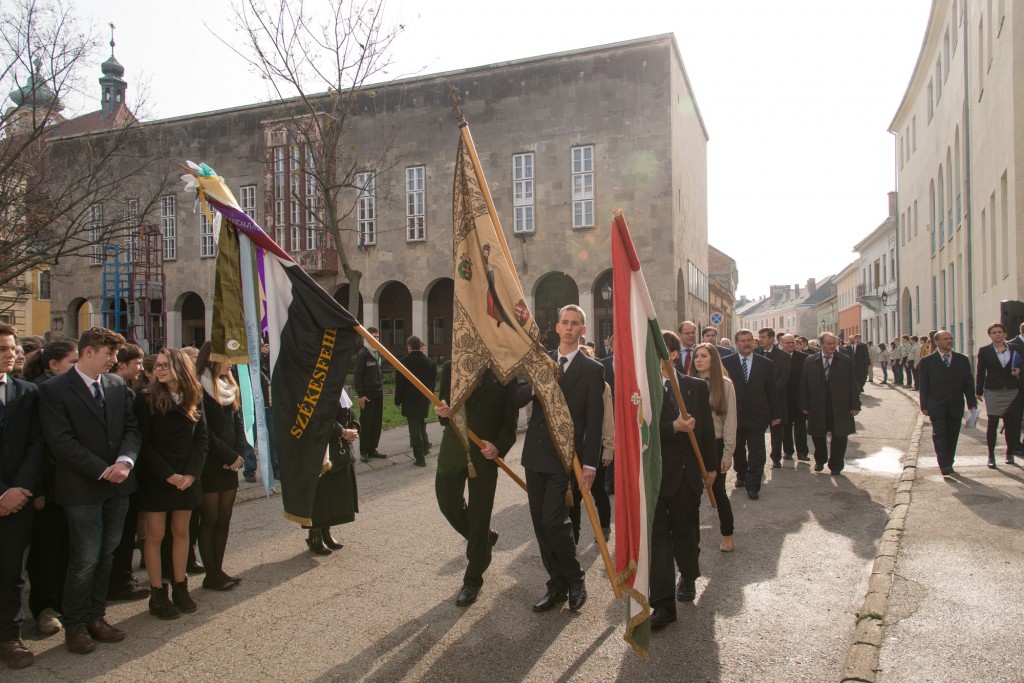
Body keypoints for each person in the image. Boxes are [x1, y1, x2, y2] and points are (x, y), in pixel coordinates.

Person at [38, 327, 139, 655]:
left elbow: (131, 429)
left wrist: (124, 462)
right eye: (109, 354)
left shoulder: (116, 385)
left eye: (116, 354)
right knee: (84, 557)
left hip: (118, 486)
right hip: (82, 487)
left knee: (106, 554)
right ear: (88, 352)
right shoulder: (55, 389)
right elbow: (60, 440)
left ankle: (97, 616)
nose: (114, 360)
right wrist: (101, 470)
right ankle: (76, 624)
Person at [516, 304, 604, 613]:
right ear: (556, 327)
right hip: (535, 454)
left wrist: (590, 464)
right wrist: (533, 383)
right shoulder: (542, 362)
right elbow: (516, 398)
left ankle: (576, 578)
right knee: (541, 526)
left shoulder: (592, 370)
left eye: (574, 323)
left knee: (555, 521)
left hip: (567, 458)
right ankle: (556, 584)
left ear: (582, 330)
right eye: (564, 322)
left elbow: (594, 422)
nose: (568, 328)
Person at [649, 331, 717, 630]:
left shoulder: (695, 386)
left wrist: (711, 468)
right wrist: (672, 427)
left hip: (687, 474)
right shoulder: (644, 390)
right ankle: (663, 605)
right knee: (659, 541)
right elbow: (639, 431)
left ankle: (688, 575)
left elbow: (706, 430)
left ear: (674, 354)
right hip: (655, 475)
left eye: (659, 349)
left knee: (686, 532)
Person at [434, 361, 517, 606]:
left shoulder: (505, 373)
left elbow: (510, 422)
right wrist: (443, 412)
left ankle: (473, 579)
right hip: (453, 448)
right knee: (448, 503)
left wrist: (498, 446)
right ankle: (484, 540)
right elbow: (443, 414)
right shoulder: (452, 367)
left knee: (480, 514)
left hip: (485, 454)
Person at [133, 348, 208, 620]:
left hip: (187, 479)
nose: (159, 369)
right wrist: (168, 475)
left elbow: (201, 440)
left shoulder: (194, 396)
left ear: (180, 367)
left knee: (181, 532)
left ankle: (180, 586)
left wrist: (191, 475)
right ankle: (157, 593)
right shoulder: (145, 399)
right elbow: (143, 443)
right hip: (158, 478)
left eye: (165, 365)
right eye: (158, 365)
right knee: (155, 535)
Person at [23, 340, 78, 640]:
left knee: (65, 548)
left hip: (69, 485)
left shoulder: (69, 388)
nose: (78, 367)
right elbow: (37, 446)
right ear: (53, 365)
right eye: (72, 362)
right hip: (48, 486)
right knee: (46, 549)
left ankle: (61, 603)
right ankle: (45, 608)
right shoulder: (38, 391)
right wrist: (39, 490)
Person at [0, 324, 44, 669]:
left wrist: (20, 490)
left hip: (19, 498)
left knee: (11, 571)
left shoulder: (26, 392)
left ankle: (9, 636)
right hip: (5, 494)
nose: (12, 354)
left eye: (13, 348)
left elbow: (36, 445)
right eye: (3, 349)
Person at [195, 343, 248, 589]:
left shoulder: (229, 385)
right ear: (212, 358)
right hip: (211, 462)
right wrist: (228, 455)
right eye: (227, 359)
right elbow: (204, 430)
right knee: (210, 518)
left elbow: (237, 420)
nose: (231, 363)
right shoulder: (199, 386)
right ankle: (211, 574)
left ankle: (219, 569)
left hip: (230, 463)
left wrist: (239, 454)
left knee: (224, 518)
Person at [106, 343, 150, 602]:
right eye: (137, 363)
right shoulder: (119, 389)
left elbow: (133, 431)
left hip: (127, 472)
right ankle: (116, 582)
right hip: (111, 475)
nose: (141, 368)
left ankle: (121, 577)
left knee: (125, 531)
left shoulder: (126, 389)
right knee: (117, 536)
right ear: (121, 364)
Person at [721, 329, 780, 500]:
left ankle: (753, 484)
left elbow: (771, 390)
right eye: (742, 341)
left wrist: (776, 414)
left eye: (749, 340)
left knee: (757, 452)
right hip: (735, 415)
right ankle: (741, 474)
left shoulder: (765, 363)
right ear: (736, 343)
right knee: (738, 449)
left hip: (758, 415)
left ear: (754, 342)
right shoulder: (726, 362)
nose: (746, 344)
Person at [690, 342, 737, 552]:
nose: (698, 360)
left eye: (704, 356)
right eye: (696, 356)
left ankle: (727, 534)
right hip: (693, 444)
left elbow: (730, 422)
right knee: (691, 494)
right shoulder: (688, 383)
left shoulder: (724, 385)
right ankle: (691, 539)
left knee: (718, 491)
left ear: (714, 360)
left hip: (716, 444)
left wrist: (728, 453)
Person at [303, 391, 360, 557]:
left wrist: (354, 426)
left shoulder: (335, 383)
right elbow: (316, 416)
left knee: (331, 494)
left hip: (337, 448)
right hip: (318, 449)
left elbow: (348, 409)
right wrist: (342, 432)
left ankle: (326, 532)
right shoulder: (313, 384)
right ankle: (315, 536)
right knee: (320, 495)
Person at [568, 345, 612, 543]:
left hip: (595, 447)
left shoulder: (603, 385)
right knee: (574, 496)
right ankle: (574, 538)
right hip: (574, 449)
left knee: (598, 490)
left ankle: (604, 527)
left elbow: (607, 419)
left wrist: (609, 448)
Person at [800, 333, 860, 475]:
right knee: (818, 435)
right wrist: (804, 404)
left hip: (840, 405)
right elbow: (804, 384)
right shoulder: (810, 361)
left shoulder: (845, 361)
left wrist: (855, 405)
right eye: (829, 344)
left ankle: (836, 464)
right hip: (817, 405)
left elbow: (853, 384)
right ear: (821, 345)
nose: (832, 346)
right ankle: (820, 460)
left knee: (840, 436)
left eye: (834, 343)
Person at [918, 330, 977, 476]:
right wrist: (924, 405)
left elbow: (968, 383)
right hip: (936, 404)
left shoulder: (962, 360)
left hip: (955, 404)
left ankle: (949, 460)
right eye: (945, 339)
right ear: (937, 342)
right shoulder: (927, 361)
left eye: (950, 338)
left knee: (952, 434)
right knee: (939, 433)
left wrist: (972, 403)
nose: (949, 341)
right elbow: (924, 385)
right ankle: (943, 463)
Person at [975, 323, 1022, 468]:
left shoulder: (1015, 348)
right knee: (993, 422)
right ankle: (991, 456)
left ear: (1005, 334)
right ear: (990, 335)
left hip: (1012, 389)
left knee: (1011, 424)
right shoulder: (984, 351)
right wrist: (978, 391)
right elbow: (980, 371)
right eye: (994, 332)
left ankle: (1010, 453)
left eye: (1000, 332)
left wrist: (1019, 371)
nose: (997, 334)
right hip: (993, 390)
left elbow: (1022, 364)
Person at [394, 335, 437, 467]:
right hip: (425, 399)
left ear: (409, 346)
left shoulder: (404, 362)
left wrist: (397, 400)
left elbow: (400, 384)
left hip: (410, 400)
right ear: (420, 346)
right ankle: (425, 449)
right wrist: (430, 397)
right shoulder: (431, 362)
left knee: (414, 431)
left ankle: (420, 459)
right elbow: (433, 382)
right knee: (421, 425)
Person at [757, 328, 790, 467]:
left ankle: (776, 457)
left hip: (777, 398)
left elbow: (784, 378)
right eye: (759, 337)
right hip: (759, 398)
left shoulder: (783, 356)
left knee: (777, 430)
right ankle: (758, 459)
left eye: (763, 337)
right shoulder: (755, 353)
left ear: (771, 339)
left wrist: (770, 391)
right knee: (757, 430)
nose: (760, 339)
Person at [354, 327, 386, 463]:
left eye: (377, 337)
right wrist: (361, 395)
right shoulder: (363, 354)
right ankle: (364, 451)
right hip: (367, 394)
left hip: (378, 392)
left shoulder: (378, 352)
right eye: (373, 336)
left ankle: (373, 449)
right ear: (367, 338)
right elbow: (357, 374)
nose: (376, 339)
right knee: (367, 423)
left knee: (376, 423)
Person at [780, 334, 809, 461]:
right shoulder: (778, 357)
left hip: (799, 398)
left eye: (792, 342)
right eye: (787, 343)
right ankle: (788, 451)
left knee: (801, 427)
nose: (791, 345)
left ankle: (802, 452)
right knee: (785, 427)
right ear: (781, 343)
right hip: (784, 398)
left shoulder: (804, 358)